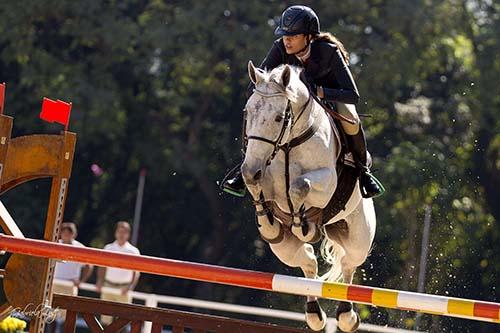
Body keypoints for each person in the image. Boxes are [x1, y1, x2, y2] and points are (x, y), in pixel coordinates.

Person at [222, 5, 384, 199]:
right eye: (284, 35)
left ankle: (363, 171)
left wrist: (321, 91)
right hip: (294, 103)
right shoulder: (279, 48)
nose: (287, 40)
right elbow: (257, 82)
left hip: (330, 98)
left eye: (294, 36)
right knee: (260, 113)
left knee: (351, 117)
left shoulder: (329, 52)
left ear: (308, 36)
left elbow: (352, 94)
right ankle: (244, 169)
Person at [96, 221, 140, 325]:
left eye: (124, 232)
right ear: (115, 233)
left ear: (128, 235)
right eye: (119, 231)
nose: (121, 234)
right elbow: (102, 266)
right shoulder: (108, 248)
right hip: (108, 286)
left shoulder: (133, 251)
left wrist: (130, 287)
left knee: (123, 320)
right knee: (105, 319)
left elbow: (136, 272)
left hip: (124, 289)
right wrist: (100, 281)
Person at [52, 223, 93, 319]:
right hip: (55, 282)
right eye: (64, 232)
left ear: (73, 234)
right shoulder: (56, 244)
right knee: (50, 313)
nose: (66, 235)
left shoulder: (79, 248)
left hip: (70, 285)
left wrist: (81, 281)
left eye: (69, 233)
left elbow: (89, 265)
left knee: (68, 314)